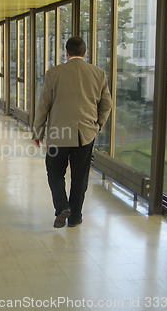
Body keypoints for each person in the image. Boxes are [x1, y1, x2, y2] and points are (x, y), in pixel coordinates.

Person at [32, 36, 112, 228]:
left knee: (55, 172)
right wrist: (97, 125)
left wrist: (38, 132)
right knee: (80, 177)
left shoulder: (54, 73)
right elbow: (106, 104)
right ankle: (75, 217)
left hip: (58, 134)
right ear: (84, 53)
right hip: (84, 135)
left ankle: (62, 207)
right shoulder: (98, 74)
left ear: (66, 52)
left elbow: (44, 105)